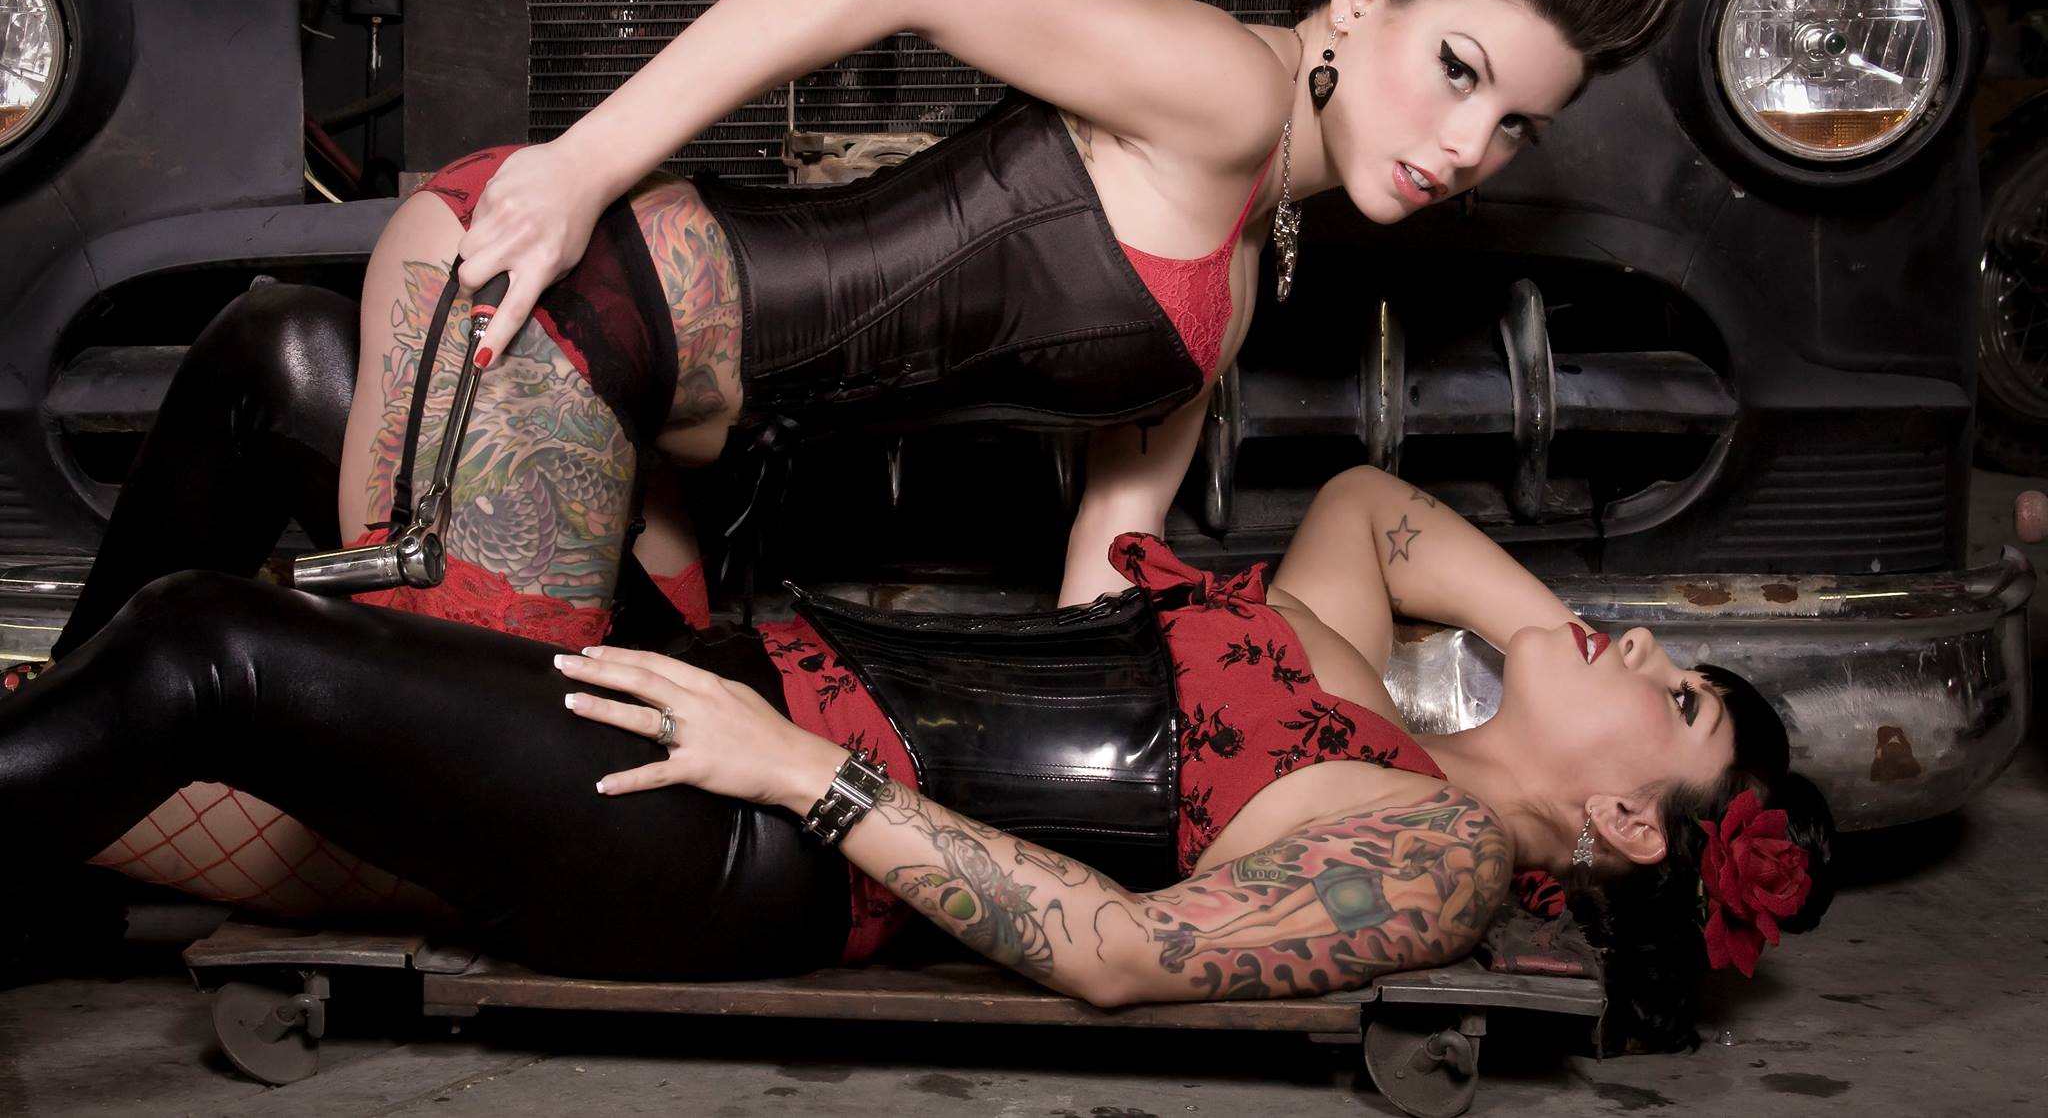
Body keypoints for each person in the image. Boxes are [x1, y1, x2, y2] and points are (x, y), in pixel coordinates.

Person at [37, 0, 1684, 913]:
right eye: (1457, 69)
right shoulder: (1228, 88)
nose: (1468, 144)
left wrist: (1195, 837)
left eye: (1515, 122)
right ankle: (48, 825)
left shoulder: (1251, 259)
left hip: (646, 457)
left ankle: (52, 785)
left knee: (304, 407)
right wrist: (582, 165)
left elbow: (1109, 602)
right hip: (569, 325)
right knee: (417, 822)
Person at [7, 464, 1832, 1052]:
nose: (1643, 647)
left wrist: (800, 776)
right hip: (726, 691)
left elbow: (1118, 955)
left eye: (1676, 701)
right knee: (278, 376)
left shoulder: (1441, 855)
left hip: (747, 835)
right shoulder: (1348, 667)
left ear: (1623, 821)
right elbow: (1374, 503)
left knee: (205, 647)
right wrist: (1566, 639)